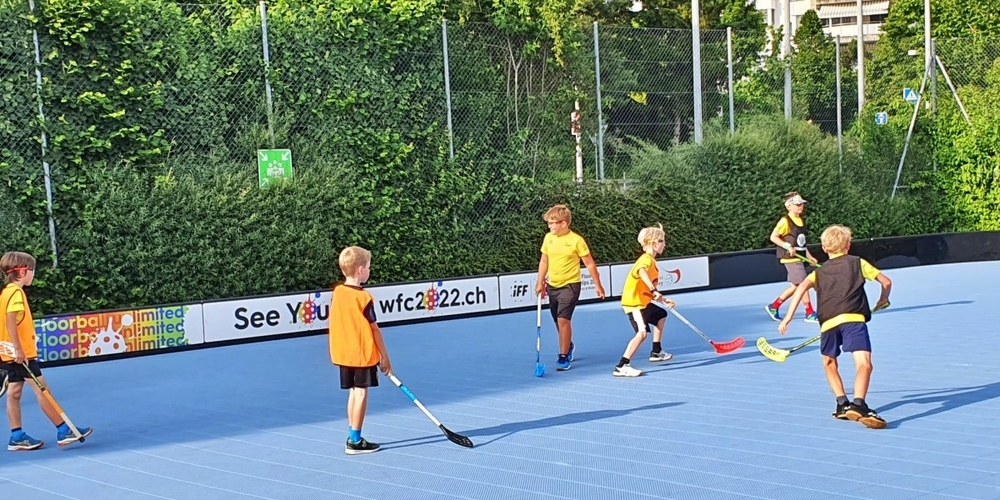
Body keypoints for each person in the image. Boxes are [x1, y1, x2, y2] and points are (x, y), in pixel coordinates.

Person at [778, 225, 892, 429]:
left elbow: (801, 288)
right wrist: (883, 299)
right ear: (848, 245)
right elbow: (886, 282)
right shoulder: (857, 263)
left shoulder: (818, 272)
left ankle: (841, 404)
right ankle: (859, 404)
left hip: (828, 323)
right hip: (853, 319)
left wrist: (787, 318)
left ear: (824, 248)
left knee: (829, 362)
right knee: (864, 364)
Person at [0, 251, 93, 450]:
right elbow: (10, 321)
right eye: (32, 270)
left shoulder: (5, 292)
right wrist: (19, 349)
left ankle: (17, 436)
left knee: (14, 392)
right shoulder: (16, 293)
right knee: (43, 391)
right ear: (22, 272)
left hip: (7, 353)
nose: (34, 274)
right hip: (21, 354)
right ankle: (64, 430)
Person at [329, 246, 392, 454]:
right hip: (361, 354)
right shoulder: (364, 298)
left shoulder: (338, 292)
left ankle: (352, 436)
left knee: (353, 393)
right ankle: (355, 441)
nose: (369, 270)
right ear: (360, 270)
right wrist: (385, 357)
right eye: (368, 267)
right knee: (361, 393)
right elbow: (374, 329)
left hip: (344, 354)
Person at [535, 204, 607, 371]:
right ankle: (568, 344)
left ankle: (563, 355)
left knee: (563, 320)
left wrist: (598, 284)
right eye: (548, 223)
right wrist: (540, 282)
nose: (549, 226)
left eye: (552, 223)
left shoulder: (576, 240)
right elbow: (544, 261)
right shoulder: (548, 238)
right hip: (553, 285)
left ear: (563, 223)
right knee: (557, 320)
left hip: (570, 285)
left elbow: (589, 263)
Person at [613, 225, 675, 377]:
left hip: (643, 302)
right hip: (635, 304)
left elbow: (645, 287)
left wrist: (663, 299)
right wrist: (654, 290)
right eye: (662, 241)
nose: (665, 244)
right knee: (642, 333)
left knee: (661, 315)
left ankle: (656, 351)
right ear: (653, 243)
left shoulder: (651, 261)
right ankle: (622, 365)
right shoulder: (646, 260)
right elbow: (641, 271)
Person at [766, 192, 819, 323]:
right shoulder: (785, 221)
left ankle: (774, 306)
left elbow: (802, 244)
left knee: (796, 286)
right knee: (803, 283)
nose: (800, 206)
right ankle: (809, 312)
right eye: (797, 204)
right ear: (788, 206)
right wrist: (787, 246)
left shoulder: (801, 221)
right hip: (791, 259)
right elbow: (773, 237)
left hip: (800, 258)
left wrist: (810, 257)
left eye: (801, 204)